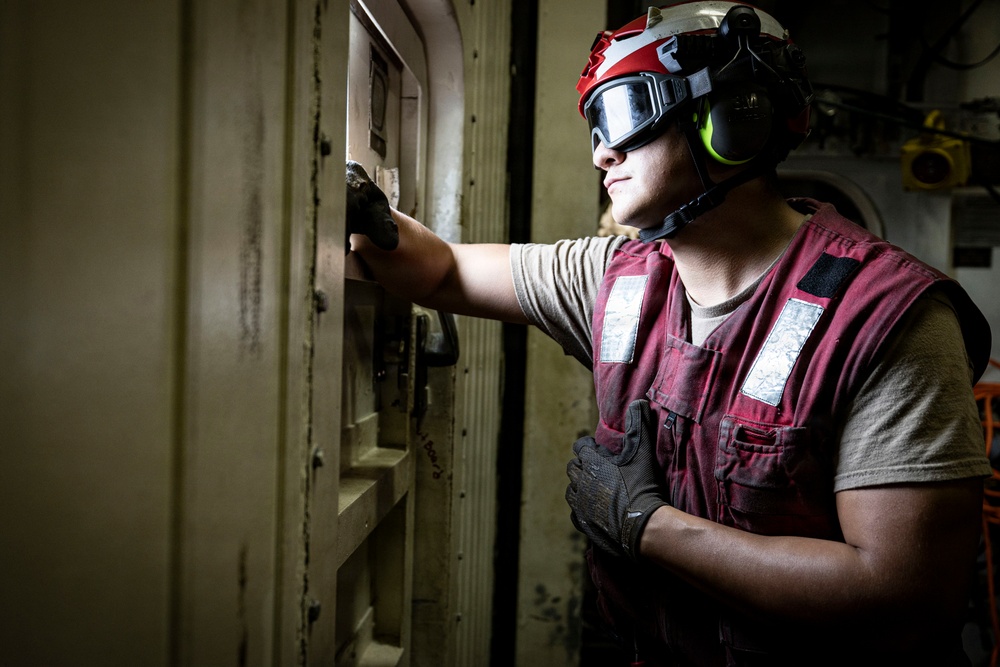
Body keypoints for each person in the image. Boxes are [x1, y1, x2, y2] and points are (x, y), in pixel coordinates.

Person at [347, 2, 993, 665]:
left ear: (735, 119)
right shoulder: (618, 280)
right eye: (596, 124)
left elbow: (907, 601)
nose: (602, 150)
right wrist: (368, 213)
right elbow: (446, 268)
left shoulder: (886, 318)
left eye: (624, 113)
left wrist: (648, 527)